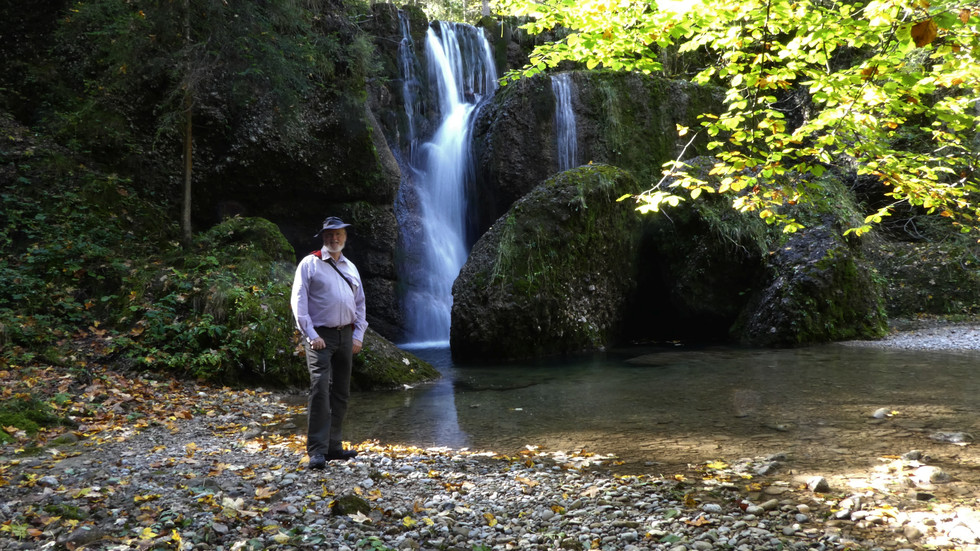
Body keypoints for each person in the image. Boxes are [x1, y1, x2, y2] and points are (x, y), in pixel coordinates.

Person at [290, 216, 368, 469]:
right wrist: (311, 335)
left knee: (341, 392)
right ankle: (316, 450)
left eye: (339, 234)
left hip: (346, 335)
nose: (334, 239)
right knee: (320, 390)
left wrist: (358, 335)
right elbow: (299, 303)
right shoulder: (309, 264)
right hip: (320, 337)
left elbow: (360, 304)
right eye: (329, 235)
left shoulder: (351, 267)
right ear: (323, 237)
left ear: (345, 237)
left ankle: (334, 446)